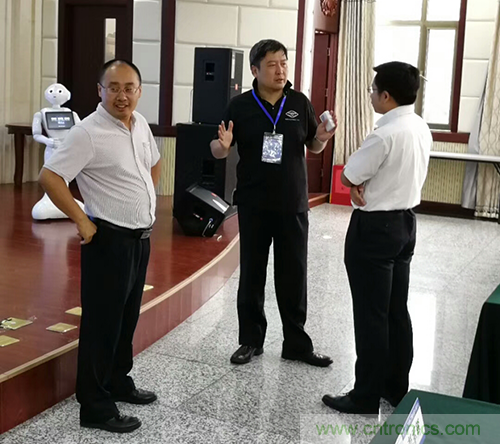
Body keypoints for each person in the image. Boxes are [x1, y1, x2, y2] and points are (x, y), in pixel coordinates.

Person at [39, 59, 161, 433]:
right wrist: (81, 220)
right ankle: (94, 405)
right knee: (101, 325)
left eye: (129, 88)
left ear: (139, 91)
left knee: (126, 319)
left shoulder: (140, 125)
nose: (122, 95)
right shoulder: (87, 132)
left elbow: (154, 164)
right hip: (108, 240)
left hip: (139, 240)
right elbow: (50, 176)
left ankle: (118, 381)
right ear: (100, 91)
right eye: (114, 88)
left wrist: (146, 200)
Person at [211, 39, 335, 367]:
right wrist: (222, 146)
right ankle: (250, 341)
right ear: (255, 70)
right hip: (253, 203)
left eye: (283, 63)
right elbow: (218, 149)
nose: (280, 70)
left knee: (293, 274)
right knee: (252, 273)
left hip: (293, 203)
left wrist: (322, 138)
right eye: (272, 64)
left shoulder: (299, 102)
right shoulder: (239, 106)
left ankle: (296, 343)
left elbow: (313, 144)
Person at [322, 61, 432, 414]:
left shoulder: (384, 134)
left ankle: (365, 395)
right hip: (406, 224)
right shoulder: (419, 126)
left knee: (371, 314)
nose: (370, 95)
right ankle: (395, 387)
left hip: (375, 230)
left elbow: (348, 176)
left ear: (386, 96)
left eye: (373, 90)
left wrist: (357, 184)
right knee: (396, 310)